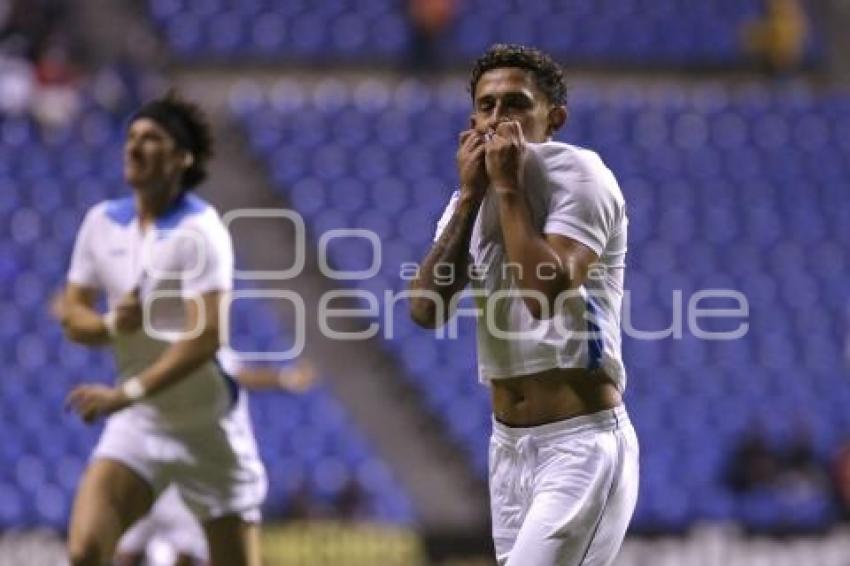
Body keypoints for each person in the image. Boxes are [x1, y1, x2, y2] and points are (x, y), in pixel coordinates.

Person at [409, 44, 638, 565]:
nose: (497, 119)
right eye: (486, 106)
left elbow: (542, 293)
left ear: (553, 117)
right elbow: (425, 309)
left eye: (514, 104)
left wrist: (507, 189)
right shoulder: (471, 194)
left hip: (579, 445)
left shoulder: (580, 174)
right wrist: (470, 198)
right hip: (508, 449)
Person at [57, 92, 267, 566]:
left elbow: (206, 336)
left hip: (208, 426)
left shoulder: (202, 229)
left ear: (181, 158)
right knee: (85, 550)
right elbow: (73, 315)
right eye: (131, 137)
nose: (134, 147)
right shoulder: (101, 224)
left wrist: (126, 392)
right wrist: (112, 323)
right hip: (141, 421)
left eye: (151, 139)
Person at [111, 359, 318, 566]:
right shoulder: (187, 350)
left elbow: (233, 374)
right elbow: (236, 375)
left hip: (169, 471)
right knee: (141, 551)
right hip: (171, 469)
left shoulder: (186, 350)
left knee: (164, 551)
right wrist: (285, 378)